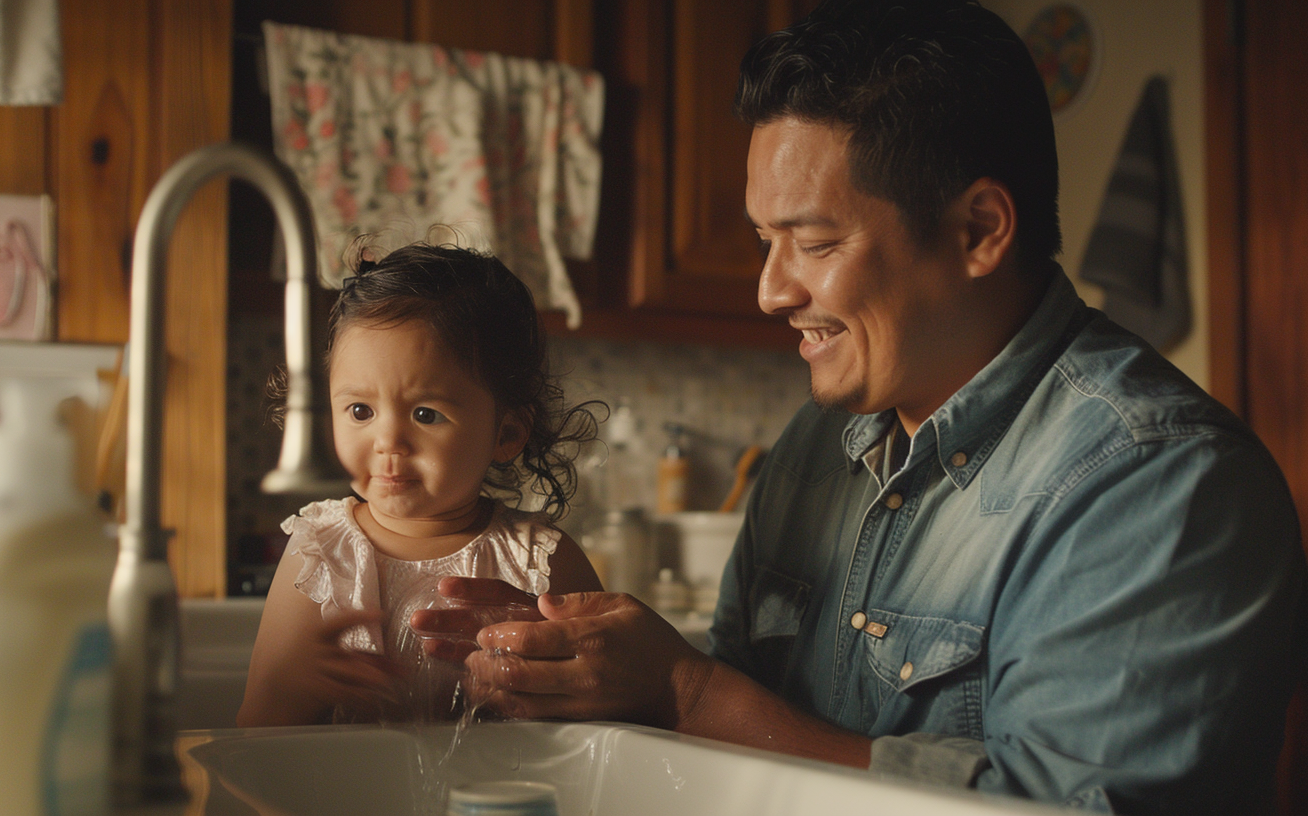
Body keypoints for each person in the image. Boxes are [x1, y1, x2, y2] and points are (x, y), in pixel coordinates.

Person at [412, 1, 1307, 812]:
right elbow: (734, 714)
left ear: (980, 231)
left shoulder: (1163, 485)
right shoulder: (815, 444)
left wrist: (687, 692)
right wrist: (592, 665)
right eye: (767, 241)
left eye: (814, 241)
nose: (768, 291)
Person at [237, 242, 604, 727]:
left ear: (507, 432)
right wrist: (289, 691)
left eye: (426, 414)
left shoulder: (542, 563)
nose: (388, 441)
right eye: (360, 411)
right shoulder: (321, 553)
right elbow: (254, 734)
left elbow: (600, 722)